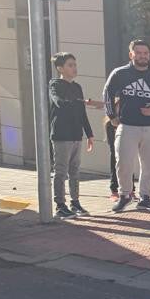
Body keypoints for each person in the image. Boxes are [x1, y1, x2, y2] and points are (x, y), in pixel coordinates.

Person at [102, 39, 150, 213]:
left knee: (149, 165)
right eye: (139, 53)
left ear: (149, 55)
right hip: (127, 126)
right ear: (131, 54)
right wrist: (112, 116)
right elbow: (107, 93)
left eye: (146, 53)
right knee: (123, 163)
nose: (143, 56)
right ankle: (125, 195)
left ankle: (145, 198)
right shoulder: (120, 74)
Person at [49, 53, 102, 218]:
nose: (74, 68)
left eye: (75, 64)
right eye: (70, 65)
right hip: (61, 134)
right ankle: (60, 205)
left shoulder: (77, 87)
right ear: (60, 68)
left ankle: (75, 202)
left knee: (75, 171)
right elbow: (60, 103)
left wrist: (89, 134)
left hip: (76, 134)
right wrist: (82, 102)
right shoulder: (54, 85)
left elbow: (82, 113)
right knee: (60, 171)